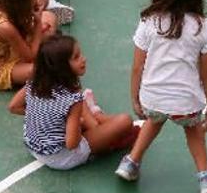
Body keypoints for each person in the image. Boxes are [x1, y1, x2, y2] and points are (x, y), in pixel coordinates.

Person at [114, 0, 207, 193]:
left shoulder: (149, 21)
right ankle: (205, 177)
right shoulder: (204, 26)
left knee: (154, 119)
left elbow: (138, 66)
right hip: (185, 102)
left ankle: (131, 162)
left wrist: (136, 99)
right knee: (194, 131)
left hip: (152, 98)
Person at [9, 35, 136, 170]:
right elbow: (71, 144)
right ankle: (97, 117)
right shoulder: (72, 98)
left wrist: (49, 118)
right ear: (61, 67)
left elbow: (13, 107)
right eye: (76, 57)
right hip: (62, 158)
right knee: (125, 121)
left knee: (80, 106)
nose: (83, 59)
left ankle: (94, 117)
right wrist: (76, 124)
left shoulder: (35, 82)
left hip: (34, 148)